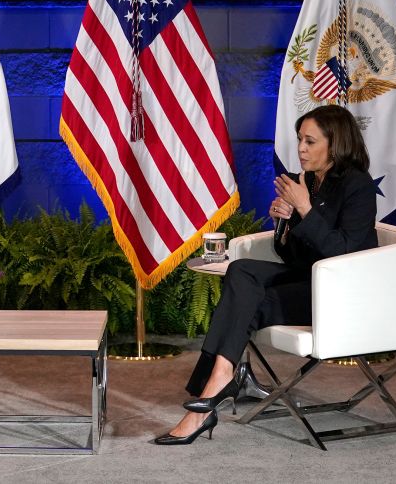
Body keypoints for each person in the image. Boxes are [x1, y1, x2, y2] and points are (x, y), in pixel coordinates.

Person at [153, 104, 377, 445]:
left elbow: (342, 253)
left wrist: (303, 208)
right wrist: (284, 225)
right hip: (307, 278)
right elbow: (293, 255)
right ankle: (223, 376)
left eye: (310, 141)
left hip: (339, 293)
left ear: (335, 144)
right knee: (241, 270)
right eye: (299, 139)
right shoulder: (308, 182)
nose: (301, 148)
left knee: (251, 299)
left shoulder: (357, 186)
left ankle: (210, 395)